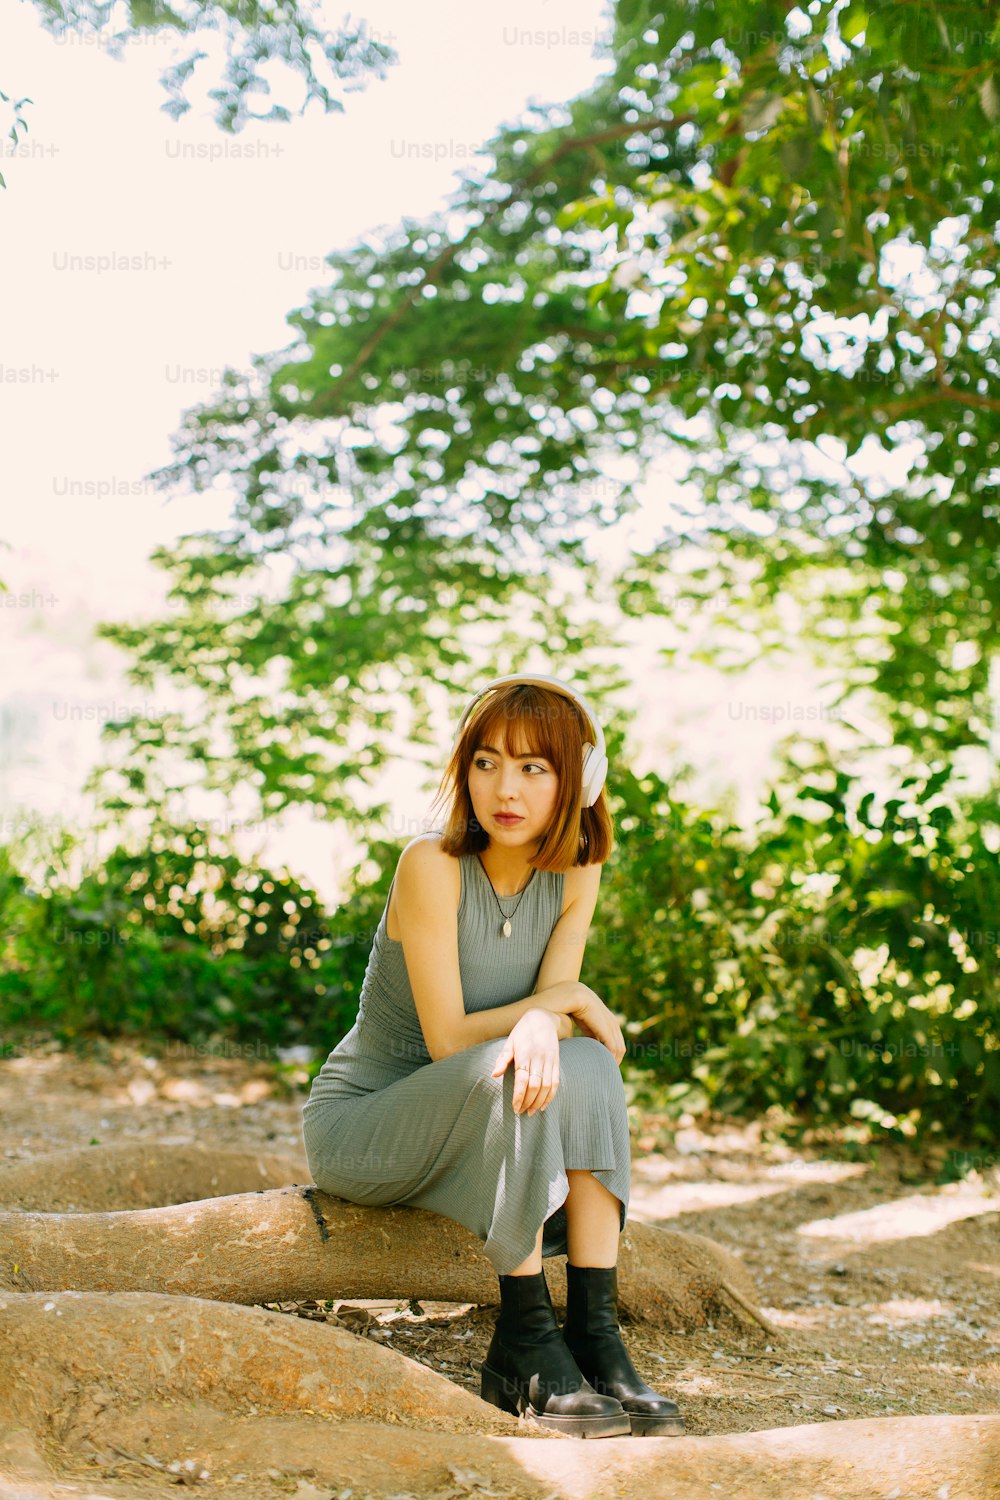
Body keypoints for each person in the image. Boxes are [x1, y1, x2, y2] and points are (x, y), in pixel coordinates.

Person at [301, 672, 684, 1439]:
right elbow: (449, 1040)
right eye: (486, 761)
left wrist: (554, 1013)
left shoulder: (577, 866)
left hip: (472, 1116)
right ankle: (522, 1339)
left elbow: (554, 1021)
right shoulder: (430, 866)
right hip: (368, 1124)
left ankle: (594, 1332)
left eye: (533, 767)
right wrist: (559, 1007)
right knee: (516, 1067)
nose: (503, 787)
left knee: (592, 1067)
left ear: (576, 781)